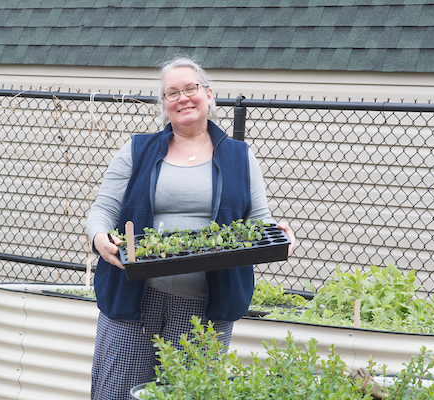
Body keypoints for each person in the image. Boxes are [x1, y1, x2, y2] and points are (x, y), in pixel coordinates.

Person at [86, 56, 295, 399]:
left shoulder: (240, 157)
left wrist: (278, 235)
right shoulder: (137, 150)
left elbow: (259, 221)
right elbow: (102, 209)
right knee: (117, 392)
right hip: (134, 301)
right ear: (164, 105)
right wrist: (100, 238)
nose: (183, 97)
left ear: (209, 94)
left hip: (204, 309)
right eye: (172, 93)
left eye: (190, 88)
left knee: (190, 393)